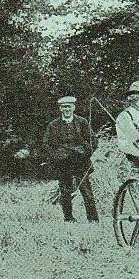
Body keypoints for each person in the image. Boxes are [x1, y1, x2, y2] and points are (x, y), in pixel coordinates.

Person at [43, 95, 99, 223]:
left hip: (81, 163)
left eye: (69, 106)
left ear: (74, 107)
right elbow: (46, 144)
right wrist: (56, 156)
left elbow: (93, 140)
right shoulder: (53, 125)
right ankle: (68, 219)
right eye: (63, 107)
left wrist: (86, 152)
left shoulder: (82, 122)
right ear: (60, 109)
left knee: (86, 191)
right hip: (63, 164)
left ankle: (93, 220)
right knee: (65, 192)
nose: (66, 109)